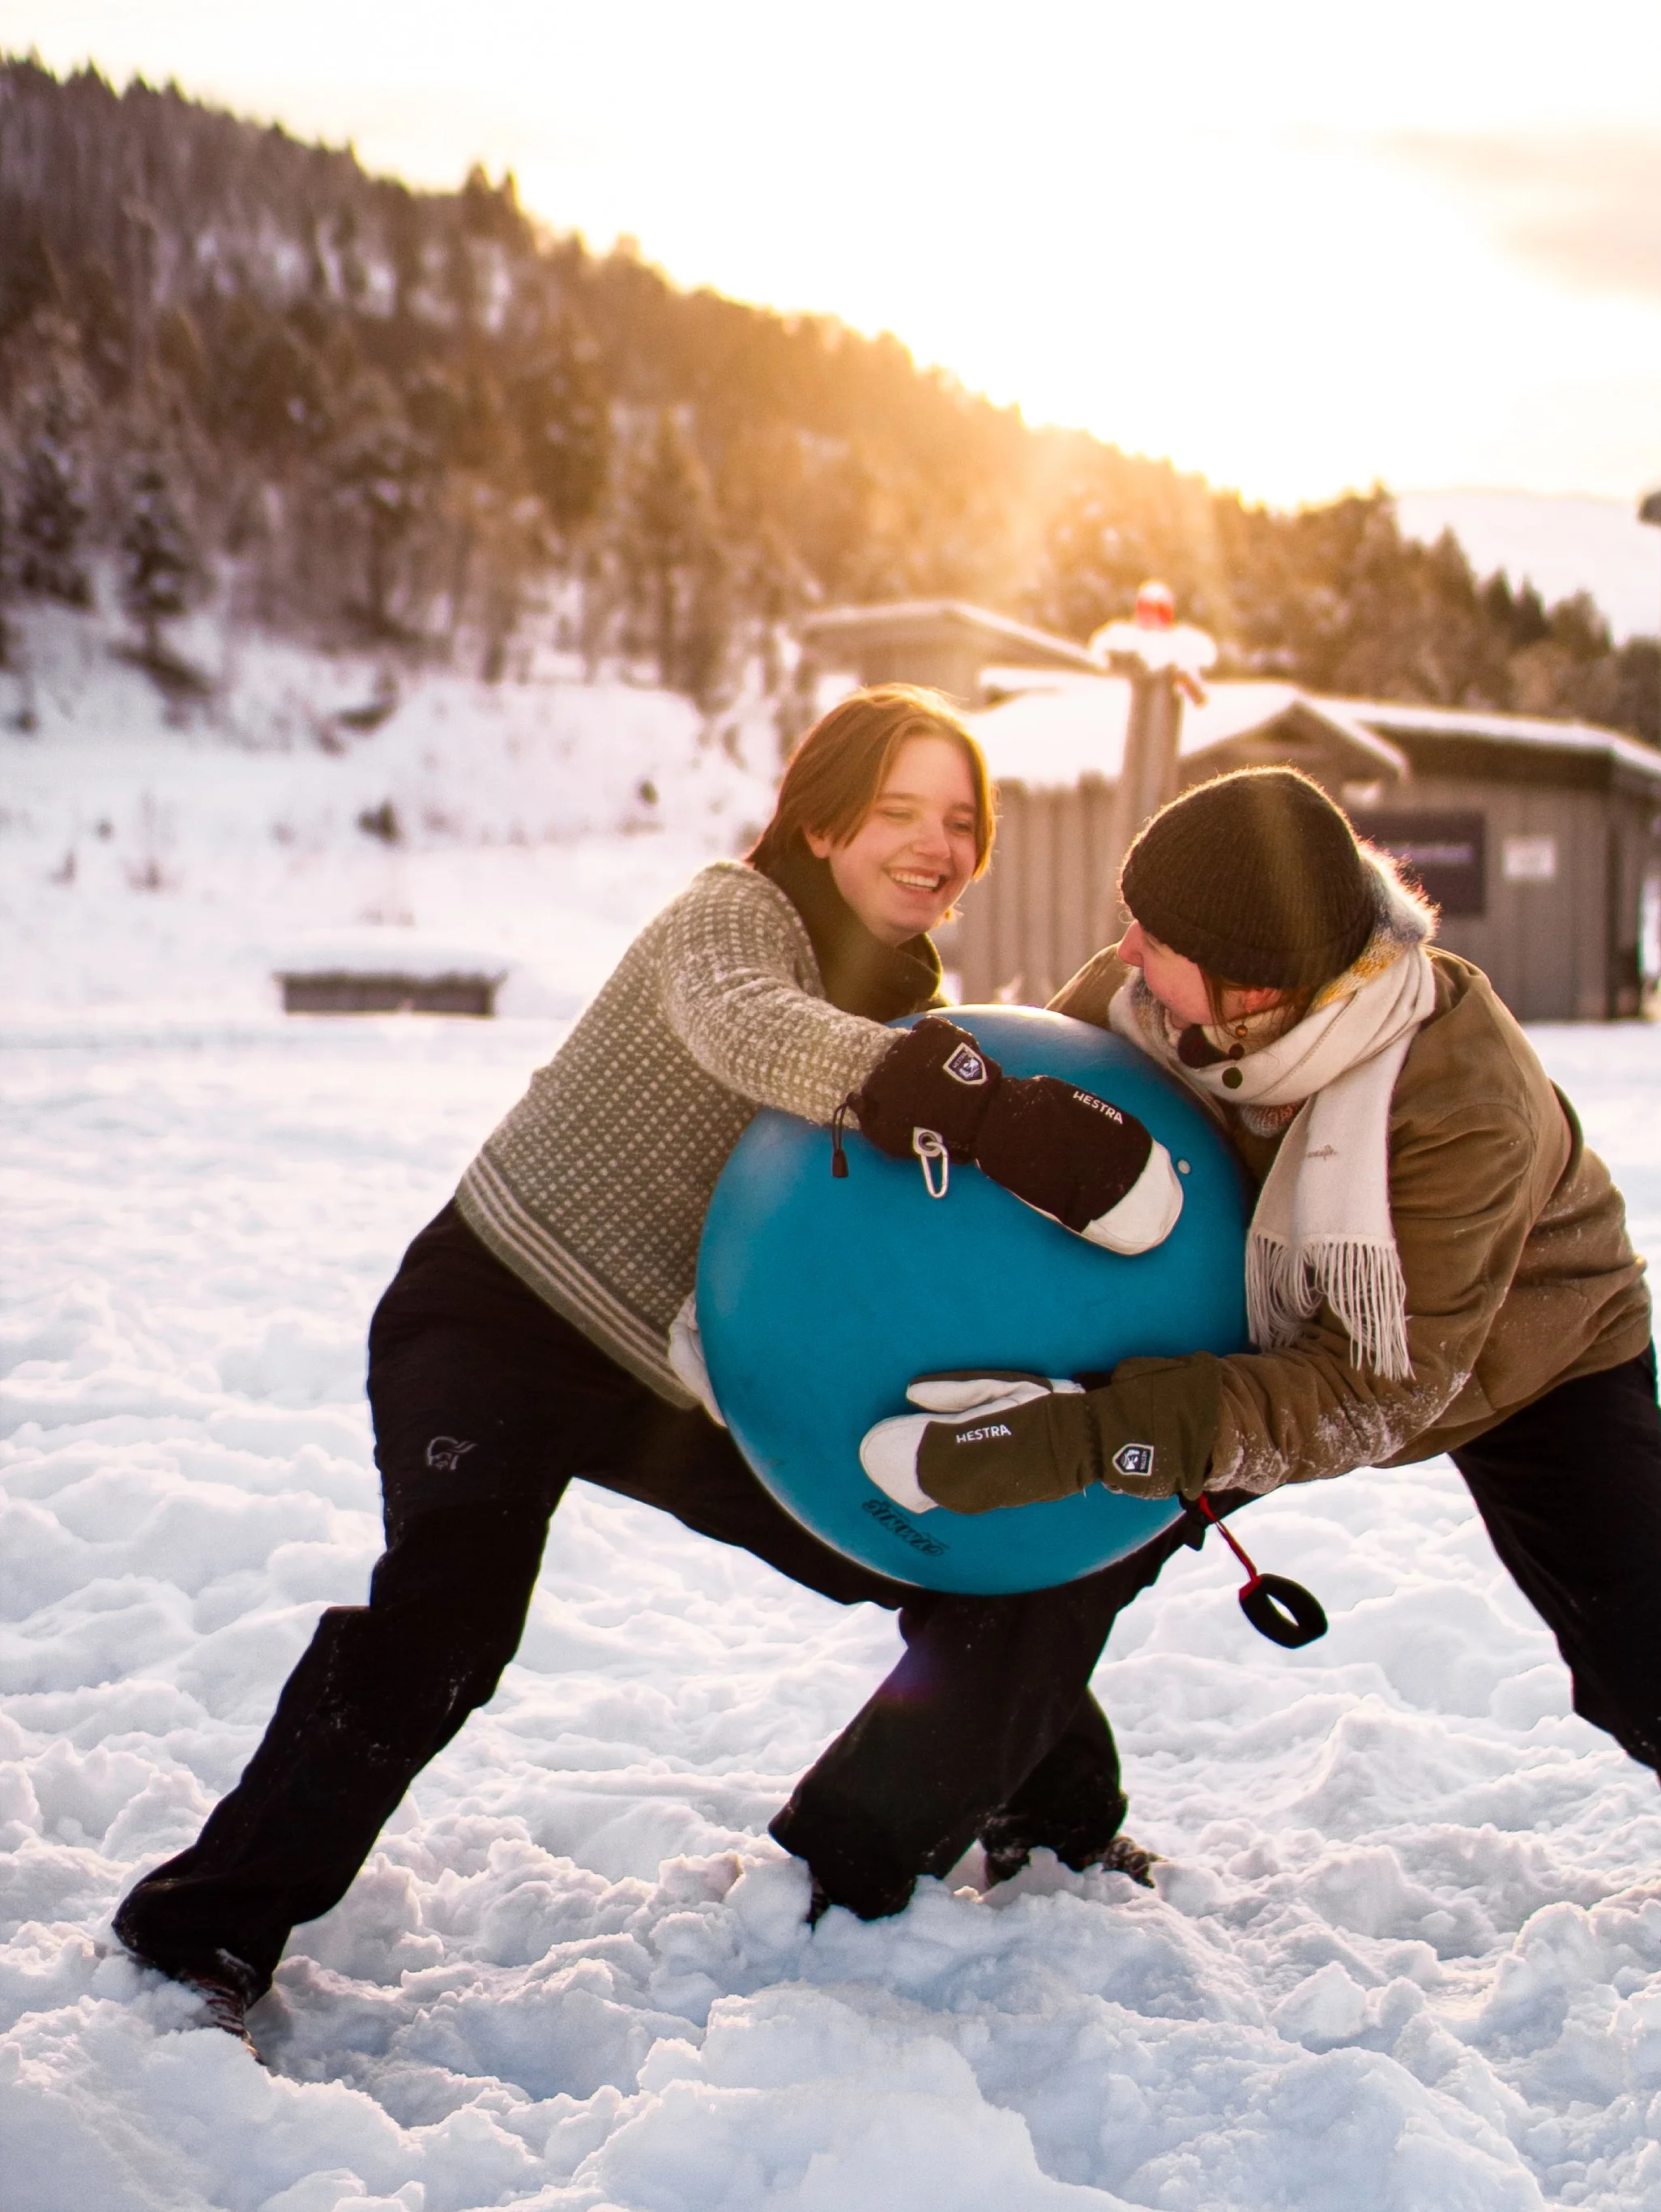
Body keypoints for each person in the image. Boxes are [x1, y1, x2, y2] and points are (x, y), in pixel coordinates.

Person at [114, 685, 1191, 2044]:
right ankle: (200, 1931)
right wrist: (976, 1106)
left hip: (676, 1385)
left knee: (958, 1557)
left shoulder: (919, 1008)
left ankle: (1054, 1817)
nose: (936, 845)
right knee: (448, 1620)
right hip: (501, 1314)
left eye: (961, 821)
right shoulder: (733, 916)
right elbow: (752, 1026)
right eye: (899, 811)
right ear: (821, 820)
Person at [862, 764, 1661, 1963]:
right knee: (1037, 1568)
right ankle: (1046, 1834)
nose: (1124, 950)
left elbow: (1369, 1390)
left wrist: (1098, 1430)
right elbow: (1045, 1151)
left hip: (1531, 1354)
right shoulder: (1138, 1005)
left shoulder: (1459, 1097)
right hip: (1255, 1320)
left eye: (1157, 939)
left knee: (1647, 1662)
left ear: (1255, 988)